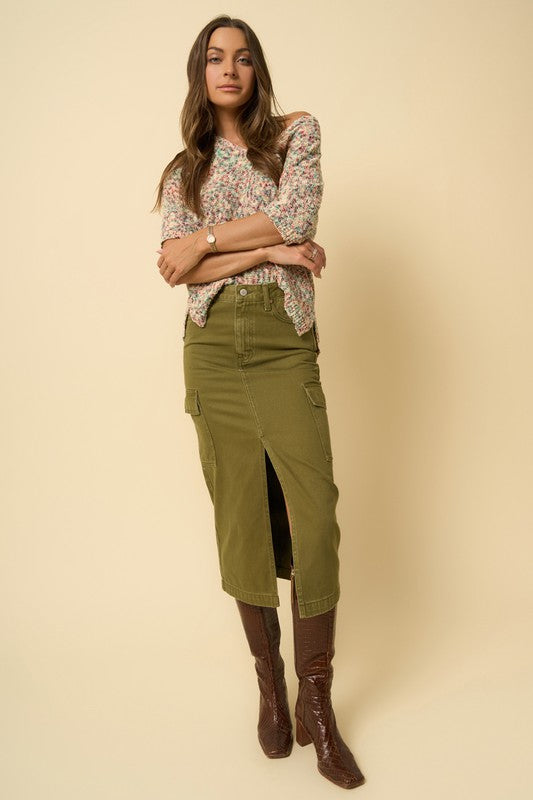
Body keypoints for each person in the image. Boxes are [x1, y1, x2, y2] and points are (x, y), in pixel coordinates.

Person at [152, 15, 365, 791]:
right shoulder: (184, 170)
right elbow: (179, 275)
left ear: (257, 68)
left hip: (282, 341)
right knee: (240, 515)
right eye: (215, 57)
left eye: (242, 57)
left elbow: (296, 216)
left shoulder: (296, 134)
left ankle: (319, 702)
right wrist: (268, 249)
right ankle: (271, 691)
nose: (229, 68)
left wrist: (217, 241)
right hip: (211, 350)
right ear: (198, 73)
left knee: (313, 516)